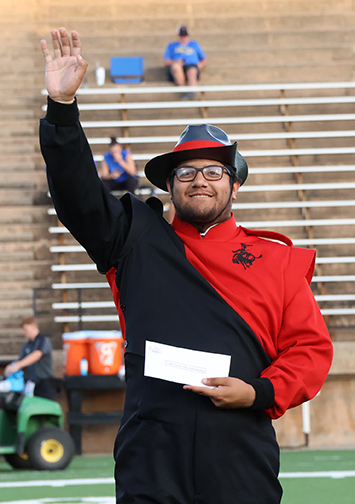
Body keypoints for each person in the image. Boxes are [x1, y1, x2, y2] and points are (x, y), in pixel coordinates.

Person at [40, 28, 333, 504]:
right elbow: (76, 197)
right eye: (186, 172)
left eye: (214, 171)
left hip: (241, 453)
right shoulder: (132, 235)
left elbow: (310, 351)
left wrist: (258, 393)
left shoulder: (277, 259)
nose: (200, 180)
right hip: (149, 453)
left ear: (234, 186)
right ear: (169, 185)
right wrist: (62, 109)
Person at [5, 317, 56, 400]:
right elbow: (20, 360)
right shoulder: (27, 345)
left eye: (25, 329)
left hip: (45, 383)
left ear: (33, 327)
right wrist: (12, 366)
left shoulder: (43, 340)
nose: (23, 332)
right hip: (32, 383)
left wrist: (18, 365)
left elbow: (37, 355)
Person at [163, 25, 207, 100]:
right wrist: (175, 62)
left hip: (191, 65)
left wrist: (200, 65)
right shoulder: (171, 45)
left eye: (185, 35)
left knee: (192, 71)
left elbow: (204, 59)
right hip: (178, 66)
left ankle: (191, 92)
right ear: (178, 35)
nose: (183, 38)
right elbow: (166, 61)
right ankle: (183, 90)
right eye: (181, 36)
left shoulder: (194, 44)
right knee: (176, 67)